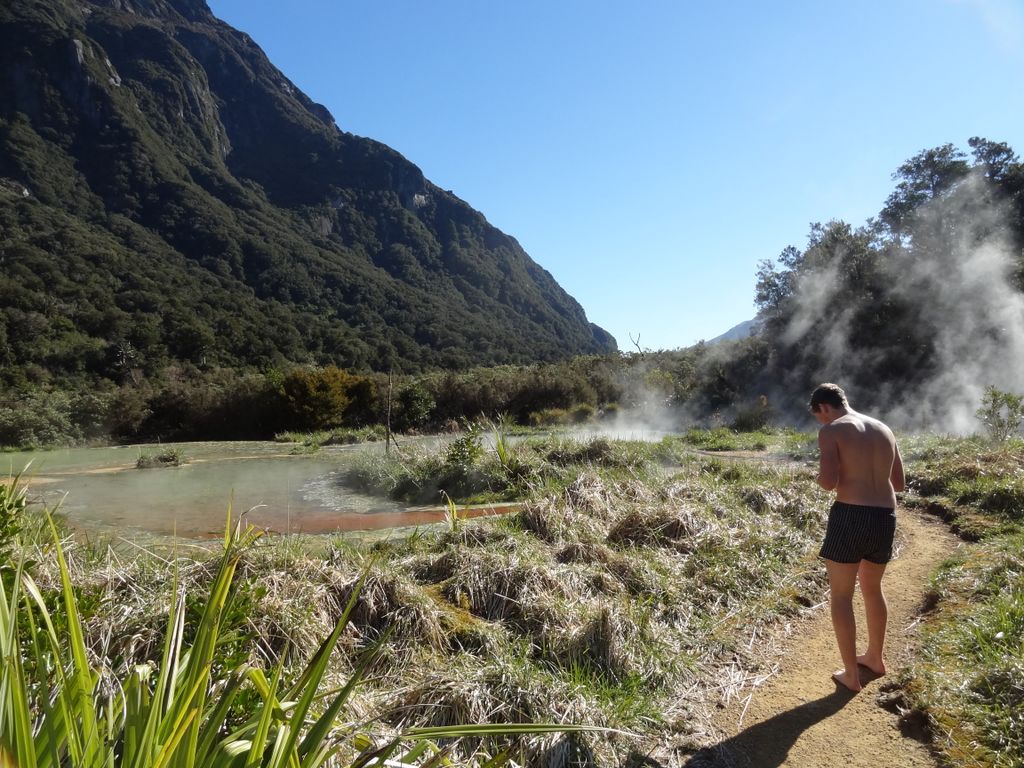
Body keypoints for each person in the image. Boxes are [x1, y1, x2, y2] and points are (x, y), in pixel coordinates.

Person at [809, 383, 905, 692]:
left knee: (841, 596)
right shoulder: (884, 429)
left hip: (850, 515)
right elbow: (899, 483)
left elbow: (828, 482)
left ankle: (851, 675)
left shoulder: (832, 430)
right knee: (872, 589)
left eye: (819, 416)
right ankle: (875, 658)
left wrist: (818, 475)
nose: (822, 422)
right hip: (885, 516)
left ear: (824, 407)